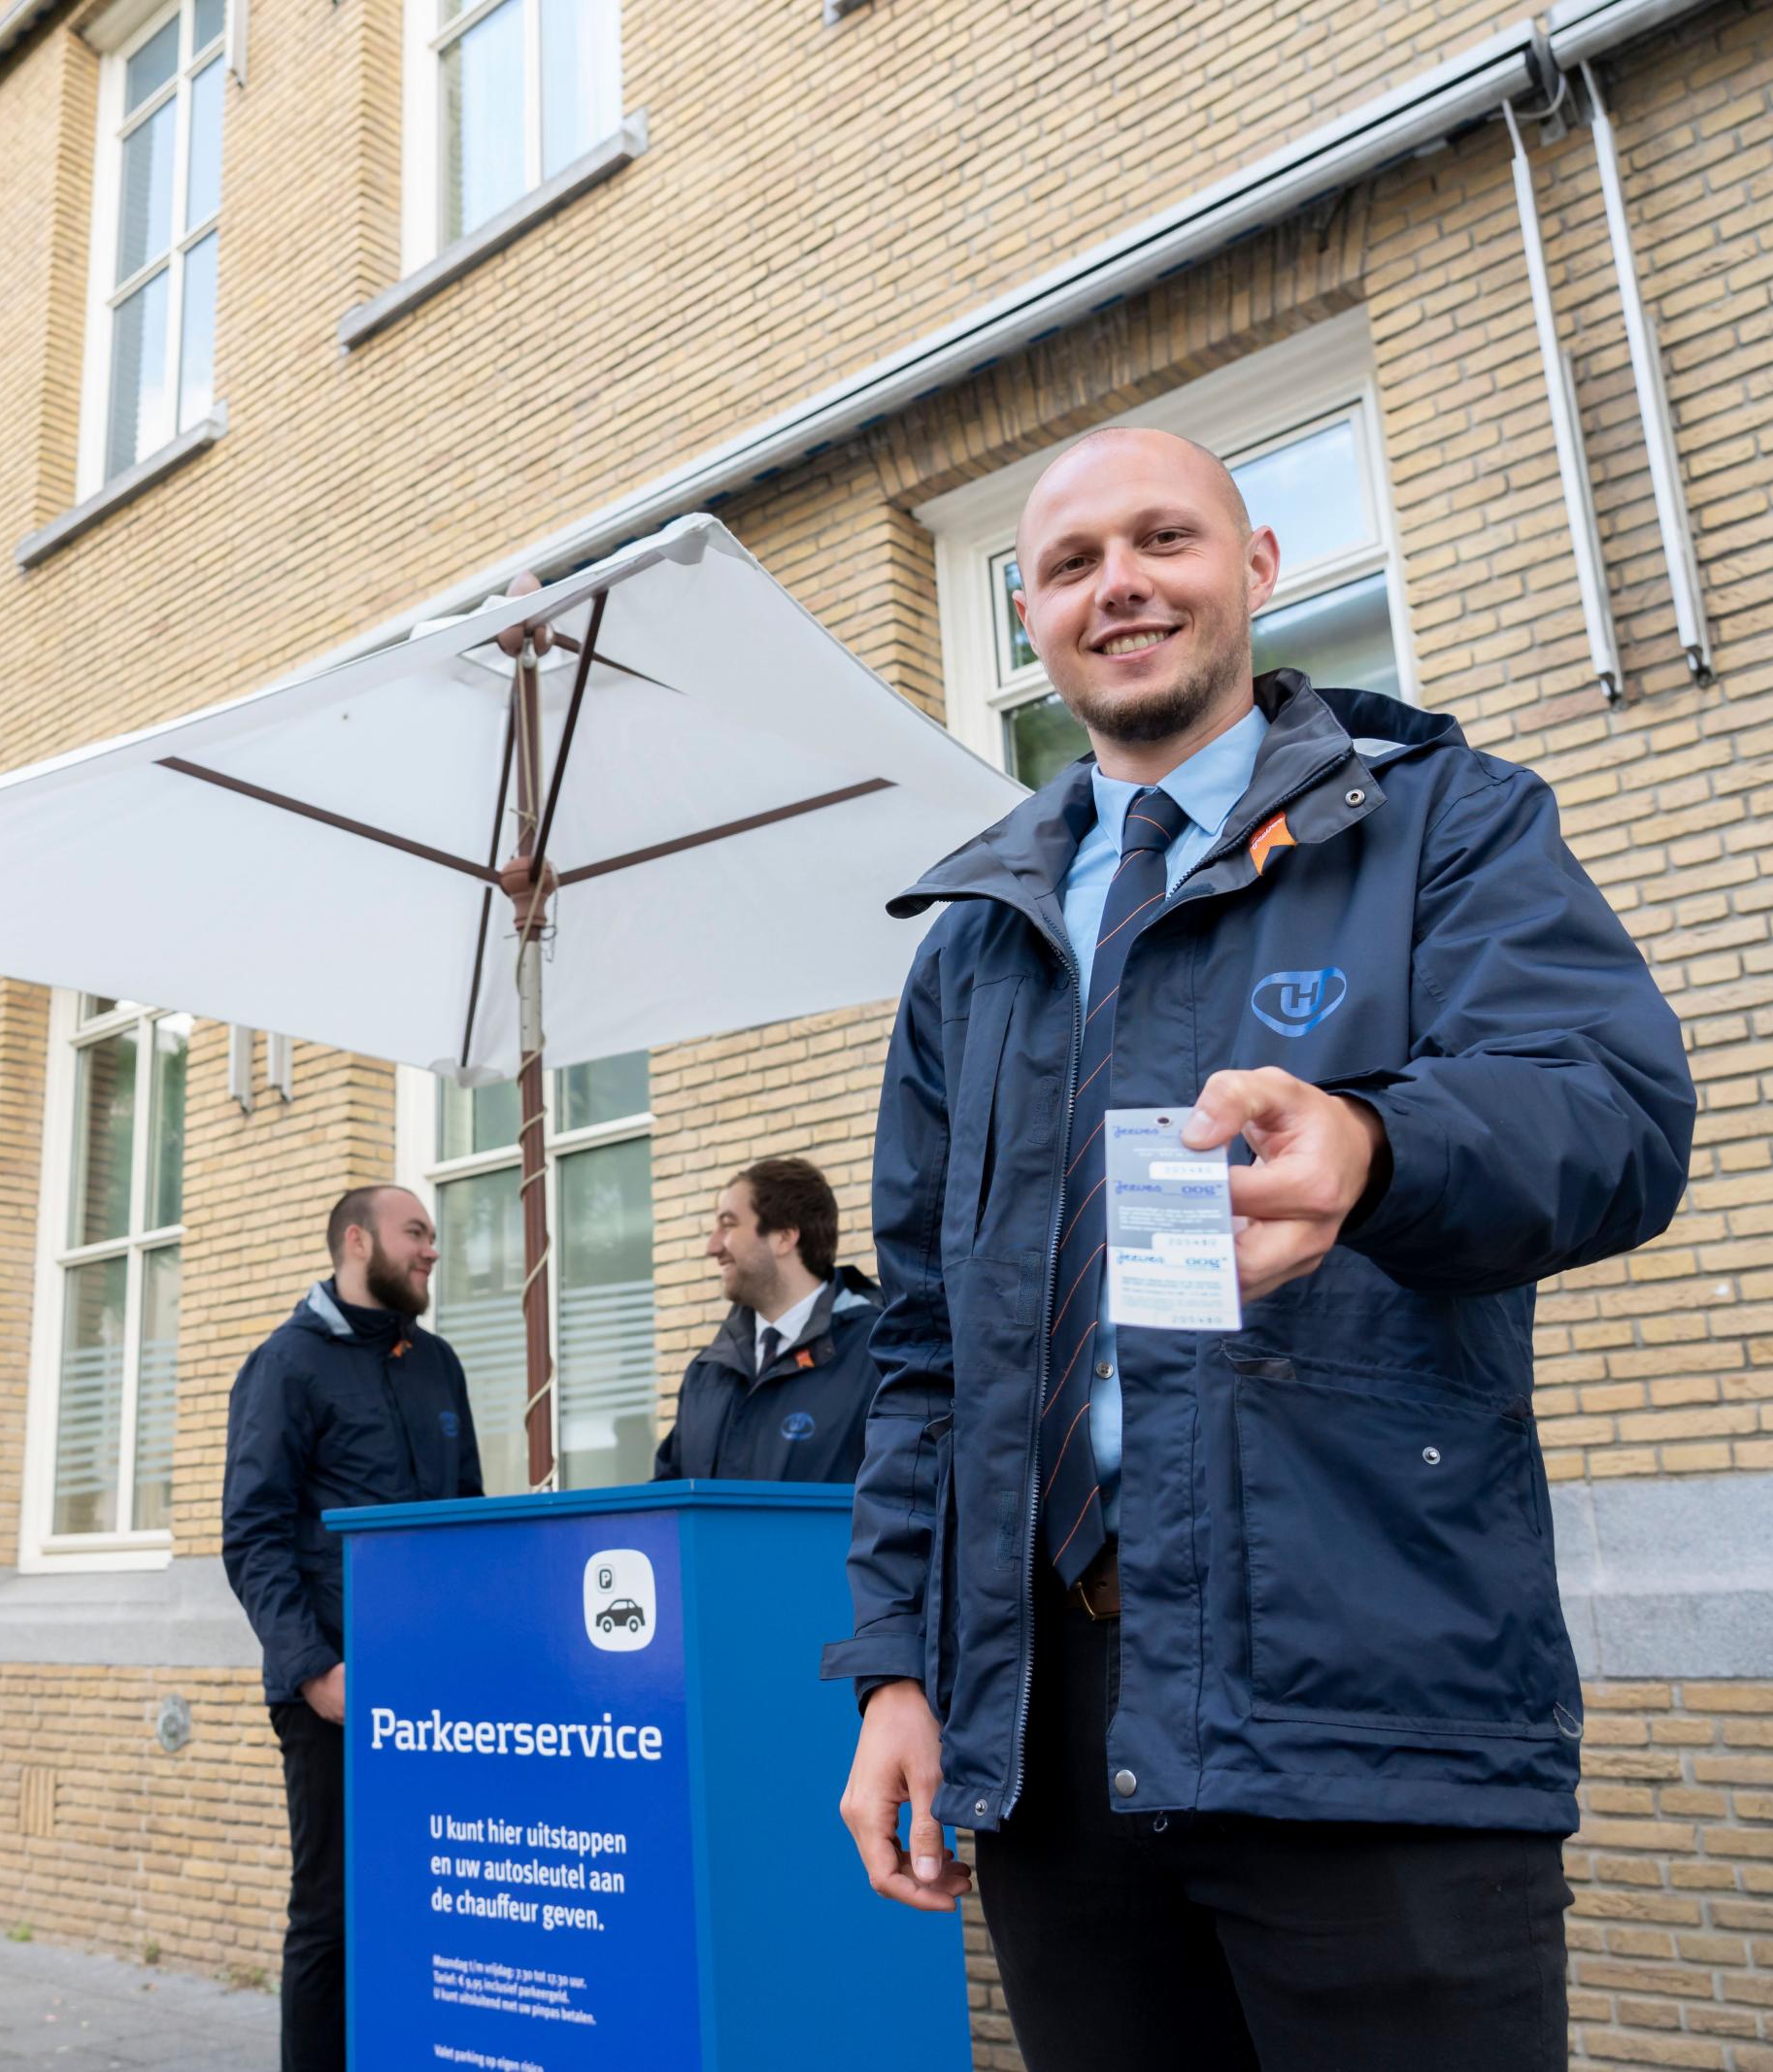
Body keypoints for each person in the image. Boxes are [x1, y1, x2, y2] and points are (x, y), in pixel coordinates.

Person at [826, 426, 1694, 2070]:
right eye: (1074, 562)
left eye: (1166, 538)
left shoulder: (1445, 826)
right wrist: (895, 1671)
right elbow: (927, 1348)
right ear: (1030, 615)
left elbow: (1617, 1112)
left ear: (1260, 568)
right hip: (1053, 1728)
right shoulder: (975, 950)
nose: (1123, 584)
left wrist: (1382, 1145)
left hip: (1361, 1691)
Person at [221, 1184, 480, 2072]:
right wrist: (314, 1671)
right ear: (357, 1241)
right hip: (335, 1689)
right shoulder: (286, 1364)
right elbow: (252, 1534)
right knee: (330, 1909)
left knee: (427, 1895)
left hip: (435, 1688)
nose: (432, 1250)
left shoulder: (438, 1363)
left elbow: (467, 1522)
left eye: (435, 1237)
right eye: (417, 1233)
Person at [652, 1156, 882, 1483]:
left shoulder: (879, 1356)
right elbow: (667, 1509)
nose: (712, 1247)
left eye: (728, 1225)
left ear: (784, 1238)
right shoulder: (706, 1375)